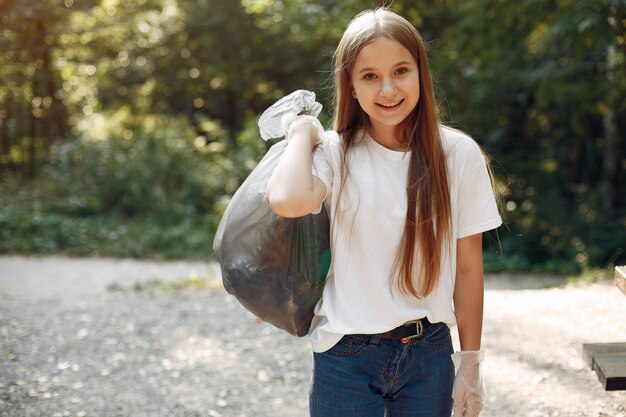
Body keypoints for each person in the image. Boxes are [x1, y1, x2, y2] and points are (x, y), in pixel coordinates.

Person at [263, 8, 502, 417]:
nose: (388, 89)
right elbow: (287, 198)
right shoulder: (336, 154)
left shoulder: (458, 154)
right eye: (370, 76)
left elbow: (467, 268)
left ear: (421, 75)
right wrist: (303, 131)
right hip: (346, 354)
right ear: (351, 86)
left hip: (429, 353)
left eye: (401, 71)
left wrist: (471, 364)